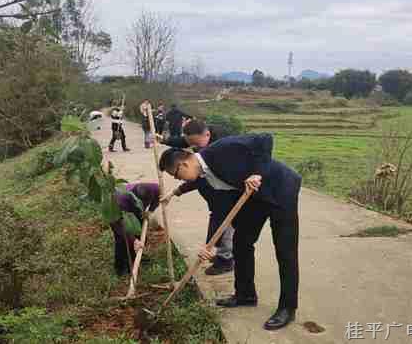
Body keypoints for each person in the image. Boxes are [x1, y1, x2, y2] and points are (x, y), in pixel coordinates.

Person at [158, 134, 301, 331]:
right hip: (254, 199)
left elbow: (264, 139)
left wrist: (257, 173)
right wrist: (209, 245)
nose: (177, 178)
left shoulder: (221, 149)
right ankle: (245, 295)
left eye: (175, 174)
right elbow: (217, 212)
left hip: (281, 190)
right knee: (241, 243)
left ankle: (287, 307)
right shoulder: (202, 178)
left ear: (184, 164)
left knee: (285, 251)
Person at [160, 119, 235, 275]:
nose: (176, 178)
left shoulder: (215, 157)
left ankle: (226, 260)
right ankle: (223, 255)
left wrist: (207, 246)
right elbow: (193, 181)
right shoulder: (199, 164)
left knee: (225, 228)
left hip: (227, 200)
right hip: (218, 203)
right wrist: (174, 193)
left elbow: (196, 181)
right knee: (220, 227)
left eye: (175, 174)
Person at [111, 182, 160, 276]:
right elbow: (118, 226)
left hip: (136, 211)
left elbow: (158, 196)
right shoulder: (120, 200)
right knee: (122, 240)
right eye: (141, 203)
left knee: (140, 237)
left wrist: (150, 210)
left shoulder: (154, 188)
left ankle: (135, 260)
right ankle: (120, 268)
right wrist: (133, 240)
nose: (144, 204)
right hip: (118, 214)